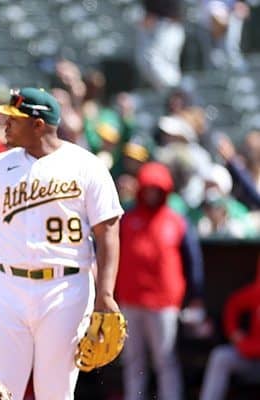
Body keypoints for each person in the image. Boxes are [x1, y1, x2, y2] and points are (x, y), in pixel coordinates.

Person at [0, 88, 124, 399]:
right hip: (7, 285)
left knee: (55, 392)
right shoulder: (0, 166)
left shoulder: (85, 165)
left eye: (14, 119)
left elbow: (108, 231)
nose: (5, 124)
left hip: (65, 288)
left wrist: (106, 293)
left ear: (38, 124)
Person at [116, 162, 206, 400]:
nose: (151, 194)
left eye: (156, 190)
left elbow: (193, 261)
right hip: (131, 299)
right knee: (133, 359)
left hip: (164, 302)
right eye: (148, 189)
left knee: (165, 359)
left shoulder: (176, 221)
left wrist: (196, 296)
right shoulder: (127, 219)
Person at [199, 258, 260, 400]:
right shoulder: (257, 292)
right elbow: (233, 304)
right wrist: (234, 333)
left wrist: (248, 346)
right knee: (221, 356)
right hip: (253, 361)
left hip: (252, 351)